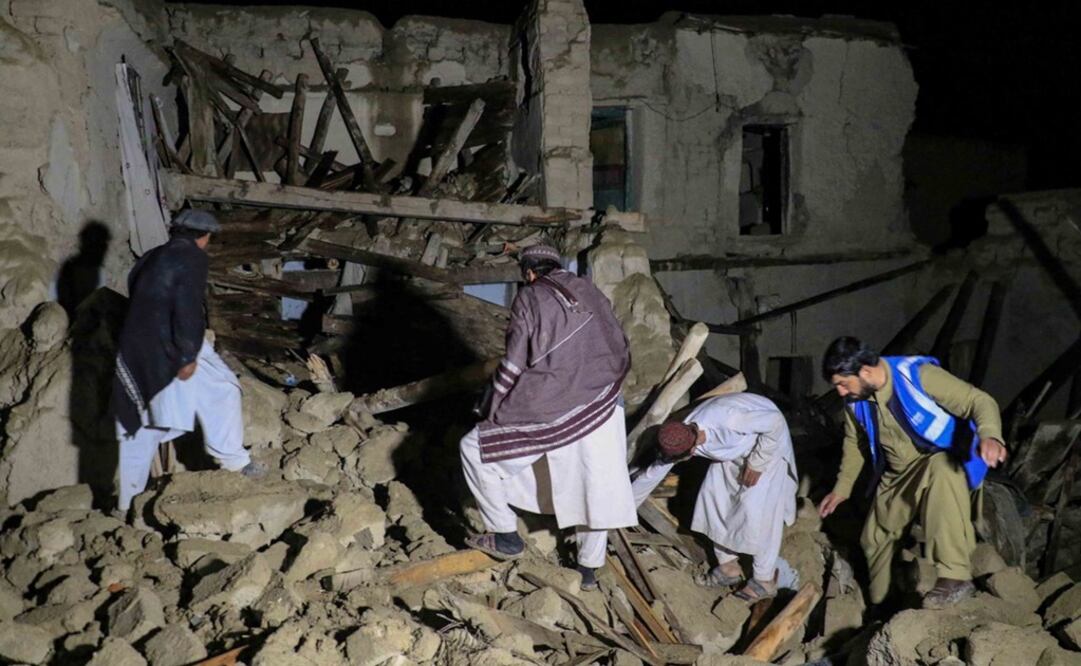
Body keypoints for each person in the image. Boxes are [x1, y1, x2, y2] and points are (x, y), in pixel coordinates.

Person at [459, 244, 636, 590]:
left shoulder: (529, 296)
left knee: (475, 449)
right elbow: (620, 342)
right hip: (606, 400)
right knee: (595, 483)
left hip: (555, 401)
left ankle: (505, 535)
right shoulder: (590, 289)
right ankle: (589, 570)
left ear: (528, 273)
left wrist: (493, 405)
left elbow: (514, 363)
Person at [817, 336, 1008, 609]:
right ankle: (883, 608)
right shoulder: (855, 400)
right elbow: (854, 442)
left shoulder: (916, 375)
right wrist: (842, 489)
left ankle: (954, 577)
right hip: (897, 475)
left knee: (942, 470)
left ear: (866, 372)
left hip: (936, 459)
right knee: (873, 539)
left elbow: (978, 400)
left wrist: (990, 435)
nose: (840, 392)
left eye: (843, 383)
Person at [111, 209, 265, 513]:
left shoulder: (151, 256)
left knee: (141, 424)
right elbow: (188, 306)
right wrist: (186, 354)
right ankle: (235, 461)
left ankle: (127, 504)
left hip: (134, 345)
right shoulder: (192, 257)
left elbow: (135, 289)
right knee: (224, 389)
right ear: (204, 236)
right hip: (170, 343)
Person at [631, 393, 798, 601]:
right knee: (714, 501)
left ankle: (764, 580)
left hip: (766, 448)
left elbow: (775, 422)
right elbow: (650, 477)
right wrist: (624, 513)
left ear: (693, 448)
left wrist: (758, 462)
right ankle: (728, 567)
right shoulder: (679, 436)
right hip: (732, 453)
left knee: (758, 511)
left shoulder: (729, 419)